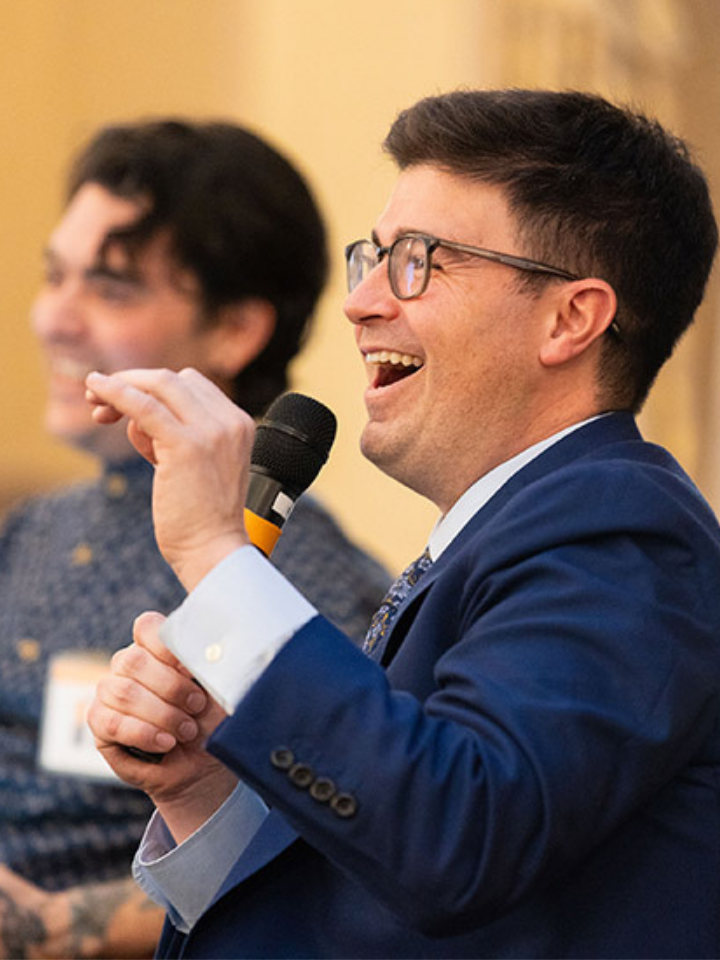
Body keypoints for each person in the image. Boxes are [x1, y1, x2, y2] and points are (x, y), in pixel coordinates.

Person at [87, 89, 720, 959]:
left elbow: (458, 840)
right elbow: (373, 885)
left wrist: (214, 552)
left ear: (570, 318)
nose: (363, 303)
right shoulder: (501, 531)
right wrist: (203, 793)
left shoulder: (625, 532)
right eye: (372, 258)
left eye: (419, 261)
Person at [0, 118, 389, 959]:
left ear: (234, 330)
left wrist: (55, 930)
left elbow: (324, 858)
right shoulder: (35, 527)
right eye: (54, 276)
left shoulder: (296, 578)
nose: (53, 320)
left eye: (110, 289)